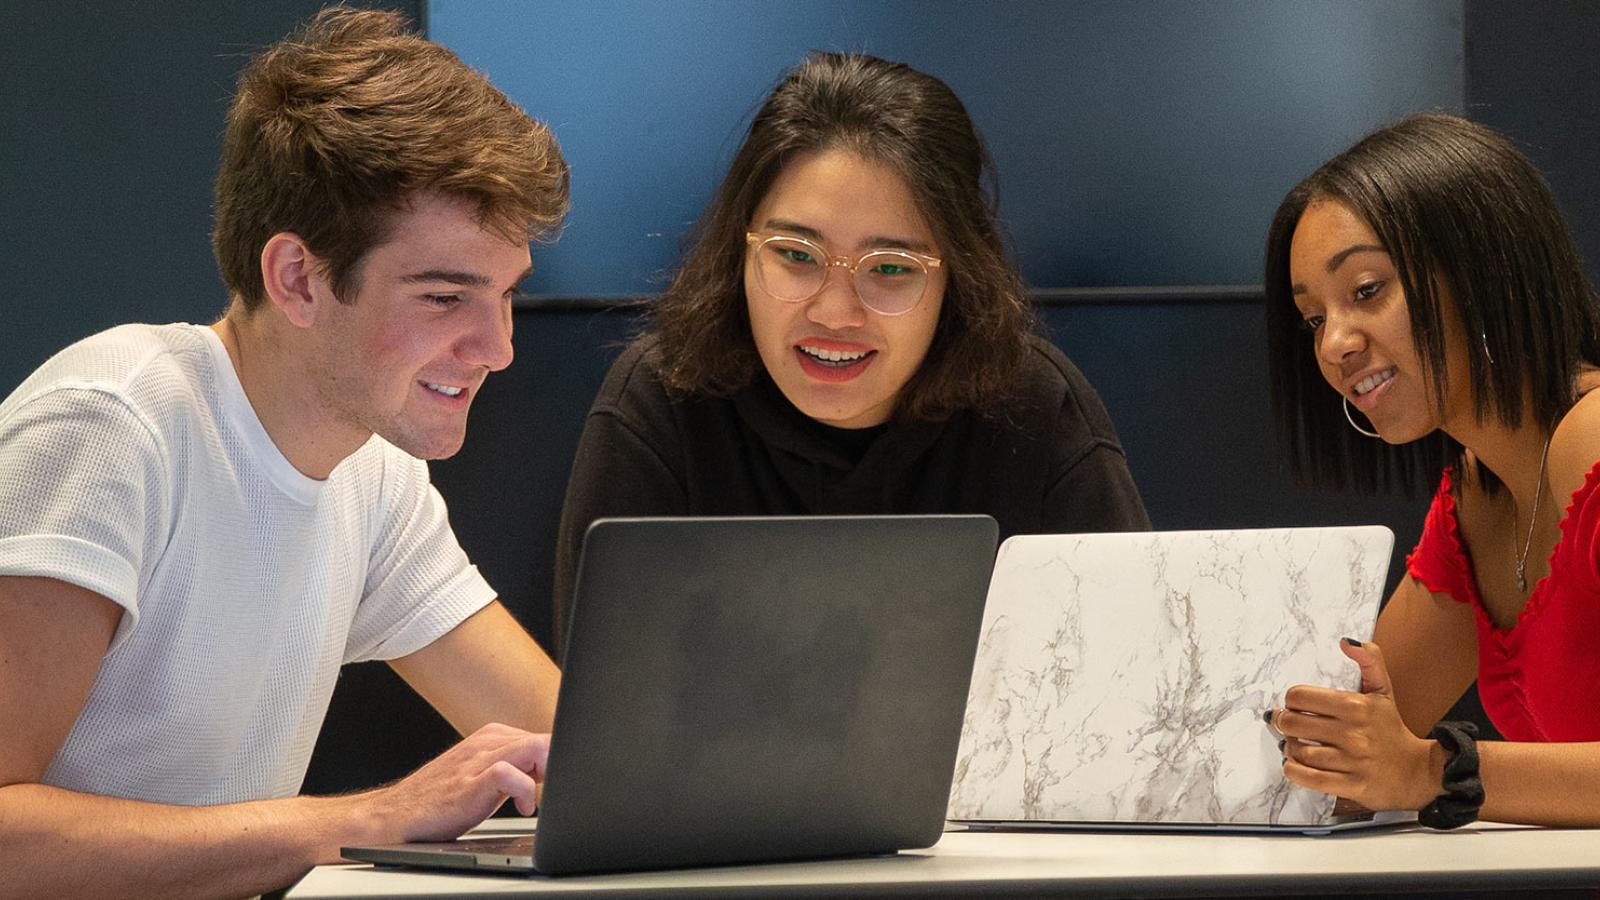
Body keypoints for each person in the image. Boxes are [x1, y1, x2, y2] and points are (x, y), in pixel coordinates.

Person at [0, 7, 569, 896]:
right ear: (298, 278)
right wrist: (359, 822)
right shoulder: (111, 424)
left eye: (504, 296)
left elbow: (572, 751)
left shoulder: (377, 475)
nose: (496, 347)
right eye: (445, 297)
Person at [554, 52, 1149, 651]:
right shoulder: (661, 399)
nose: (835, 312)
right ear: (742, 252)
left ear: (957, 280)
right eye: (795, 255)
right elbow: (608, 709)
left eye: (891, 268)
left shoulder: (1035, 407)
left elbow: (1129, 684)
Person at [1263, 113, 1600, 827]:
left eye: (1364, 291)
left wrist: (1432, 770)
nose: (1335, 346)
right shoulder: (1477, 495)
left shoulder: (1595, 440)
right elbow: (1346, 769)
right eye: (1314, 319)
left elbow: (1406, 767)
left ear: (1485, 272)